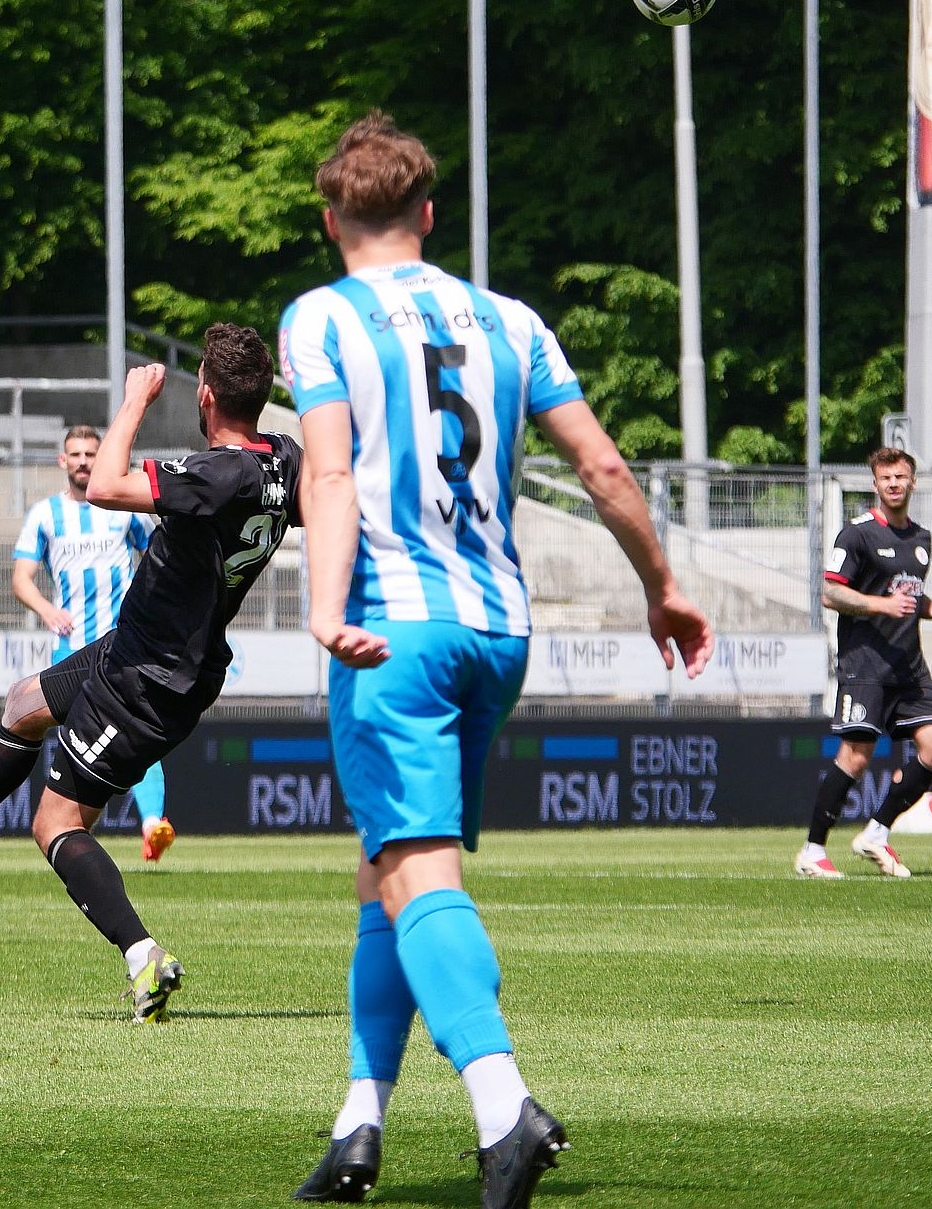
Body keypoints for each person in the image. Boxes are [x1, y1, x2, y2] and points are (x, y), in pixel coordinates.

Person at [279, 111, 713, 1209]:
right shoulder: (512, 320)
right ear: (428, 213)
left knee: (419, 870)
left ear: (332, 221)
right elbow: (603, 467)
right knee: (387, 870)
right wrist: (661, 585)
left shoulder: (321, 317)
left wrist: (323, 611)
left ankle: (501, 1103)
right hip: (497, 631)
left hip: (394, 630)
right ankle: (360, 1120)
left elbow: (328, 477)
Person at [0, 326, 300, 1024]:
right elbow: (313, 504)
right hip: (133, 647)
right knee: (23, 702)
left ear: (205, 393)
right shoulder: (278, 460)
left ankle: (143, 957)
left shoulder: (217, 474)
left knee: (56, 823)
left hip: (150, 678)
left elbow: (104, 486)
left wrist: (134, 400)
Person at [796, 445, 932, 880]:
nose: (894, 484)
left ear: (913, 482)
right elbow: (830, 592)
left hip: (909, 665)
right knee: (855, 758)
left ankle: (877, 832)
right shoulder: (857, 535)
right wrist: (880, 605)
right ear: (875, 484)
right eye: (886, 478)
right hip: (866, 663)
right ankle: (813, 850)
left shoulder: (922, 540)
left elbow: (910, 598)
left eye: (900, 477)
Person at [13, 424, 175, 861]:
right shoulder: (45, 515)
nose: (84, 461)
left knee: (138, 731)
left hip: (125, 645)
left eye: (91, 454)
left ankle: (152, 825)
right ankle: (78, 835)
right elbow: (22, 578)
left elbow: (161, 556)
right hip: (72, 649)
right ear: (62, 461)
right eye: (77, 454)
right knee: (81, 743)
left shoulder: (124, 508)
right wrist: (46, 609)